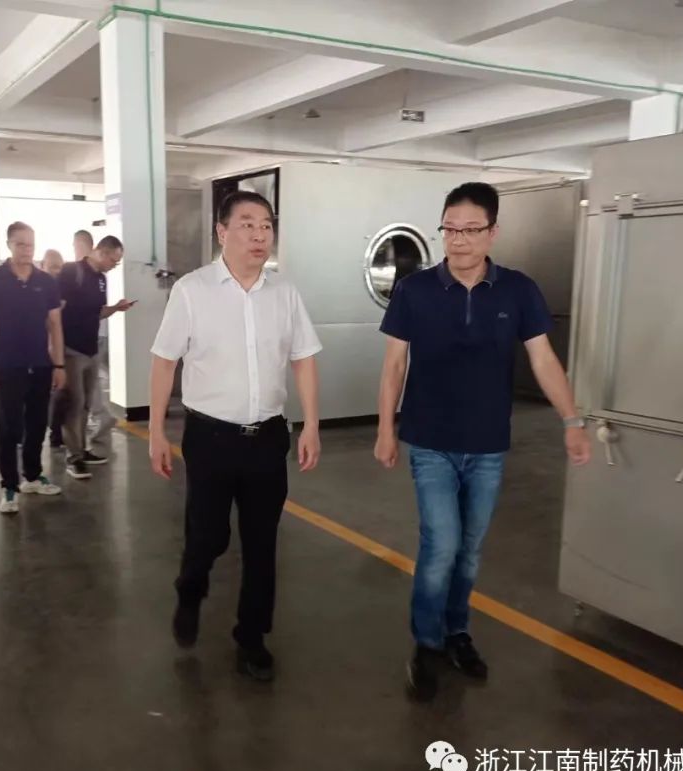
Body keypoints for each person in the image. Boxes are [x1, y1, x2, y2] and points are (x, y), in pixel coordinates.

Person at [374, 182, 592, 701]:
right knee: (441, 545)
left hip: (489, 444)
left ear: (493, 232)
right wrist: (385, 429)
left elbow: (543, 360)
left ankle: (457, 633)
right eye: (450, 229)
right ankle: (427, 644)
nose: (459, 240)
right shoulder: (415, 290)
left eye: (471, 230)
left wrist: (571, 420)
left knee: (469, 552)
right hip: (430, 440)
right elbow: (394, 365)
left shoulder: (518, 290)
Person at [149, 190, 322, 683]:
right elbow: (164, 361)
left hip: (267, 438)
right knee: (208, 535)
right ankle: (190, 588)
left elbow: (303, 358)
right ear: (222, 232)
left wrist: (311, 423)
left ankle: (252, 638)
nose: (259, 235)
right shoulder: (192, 290)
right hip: (210, 439)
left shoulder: (284, 293)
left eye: (266, 225)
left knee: (262, 543)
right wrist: (156, 431)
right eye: (247, 224)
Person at [0, 222, 67, 514]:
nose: (27, 250)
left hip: (40, 365)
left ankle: (32, 476)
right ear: (9, 245)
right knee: (8, 428)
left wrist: (59, 364)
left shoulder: (46, 281)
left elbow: (55, 325)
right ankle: (9, 486)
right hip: (8, 365)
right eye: (21, 244)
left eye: (31, 244)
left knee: (37, 424)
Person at [57, 236, 133, 480]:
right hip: (71, 349)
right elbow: (55, 311)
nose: (114, 265)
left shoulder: (101, 279)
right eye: (114, 260)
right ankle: (73, 458)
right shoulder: (71, 272)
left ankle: (82, 450)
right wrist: (54, 350)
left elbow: (98, 312)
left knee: (86, 404)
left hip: (91, 349)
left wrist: (116, 308)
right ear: (101, 252)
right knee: (74, 404)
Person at [42, 248, 67, 449]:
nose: (56, 271)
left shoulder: (62, 289)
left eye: (59, 267)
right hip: (37, 350)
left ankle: (56, 434)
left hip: (59, 349)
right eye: (52, 267)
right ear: (43, 266)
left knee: (59, 393)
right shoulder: (35, 288)